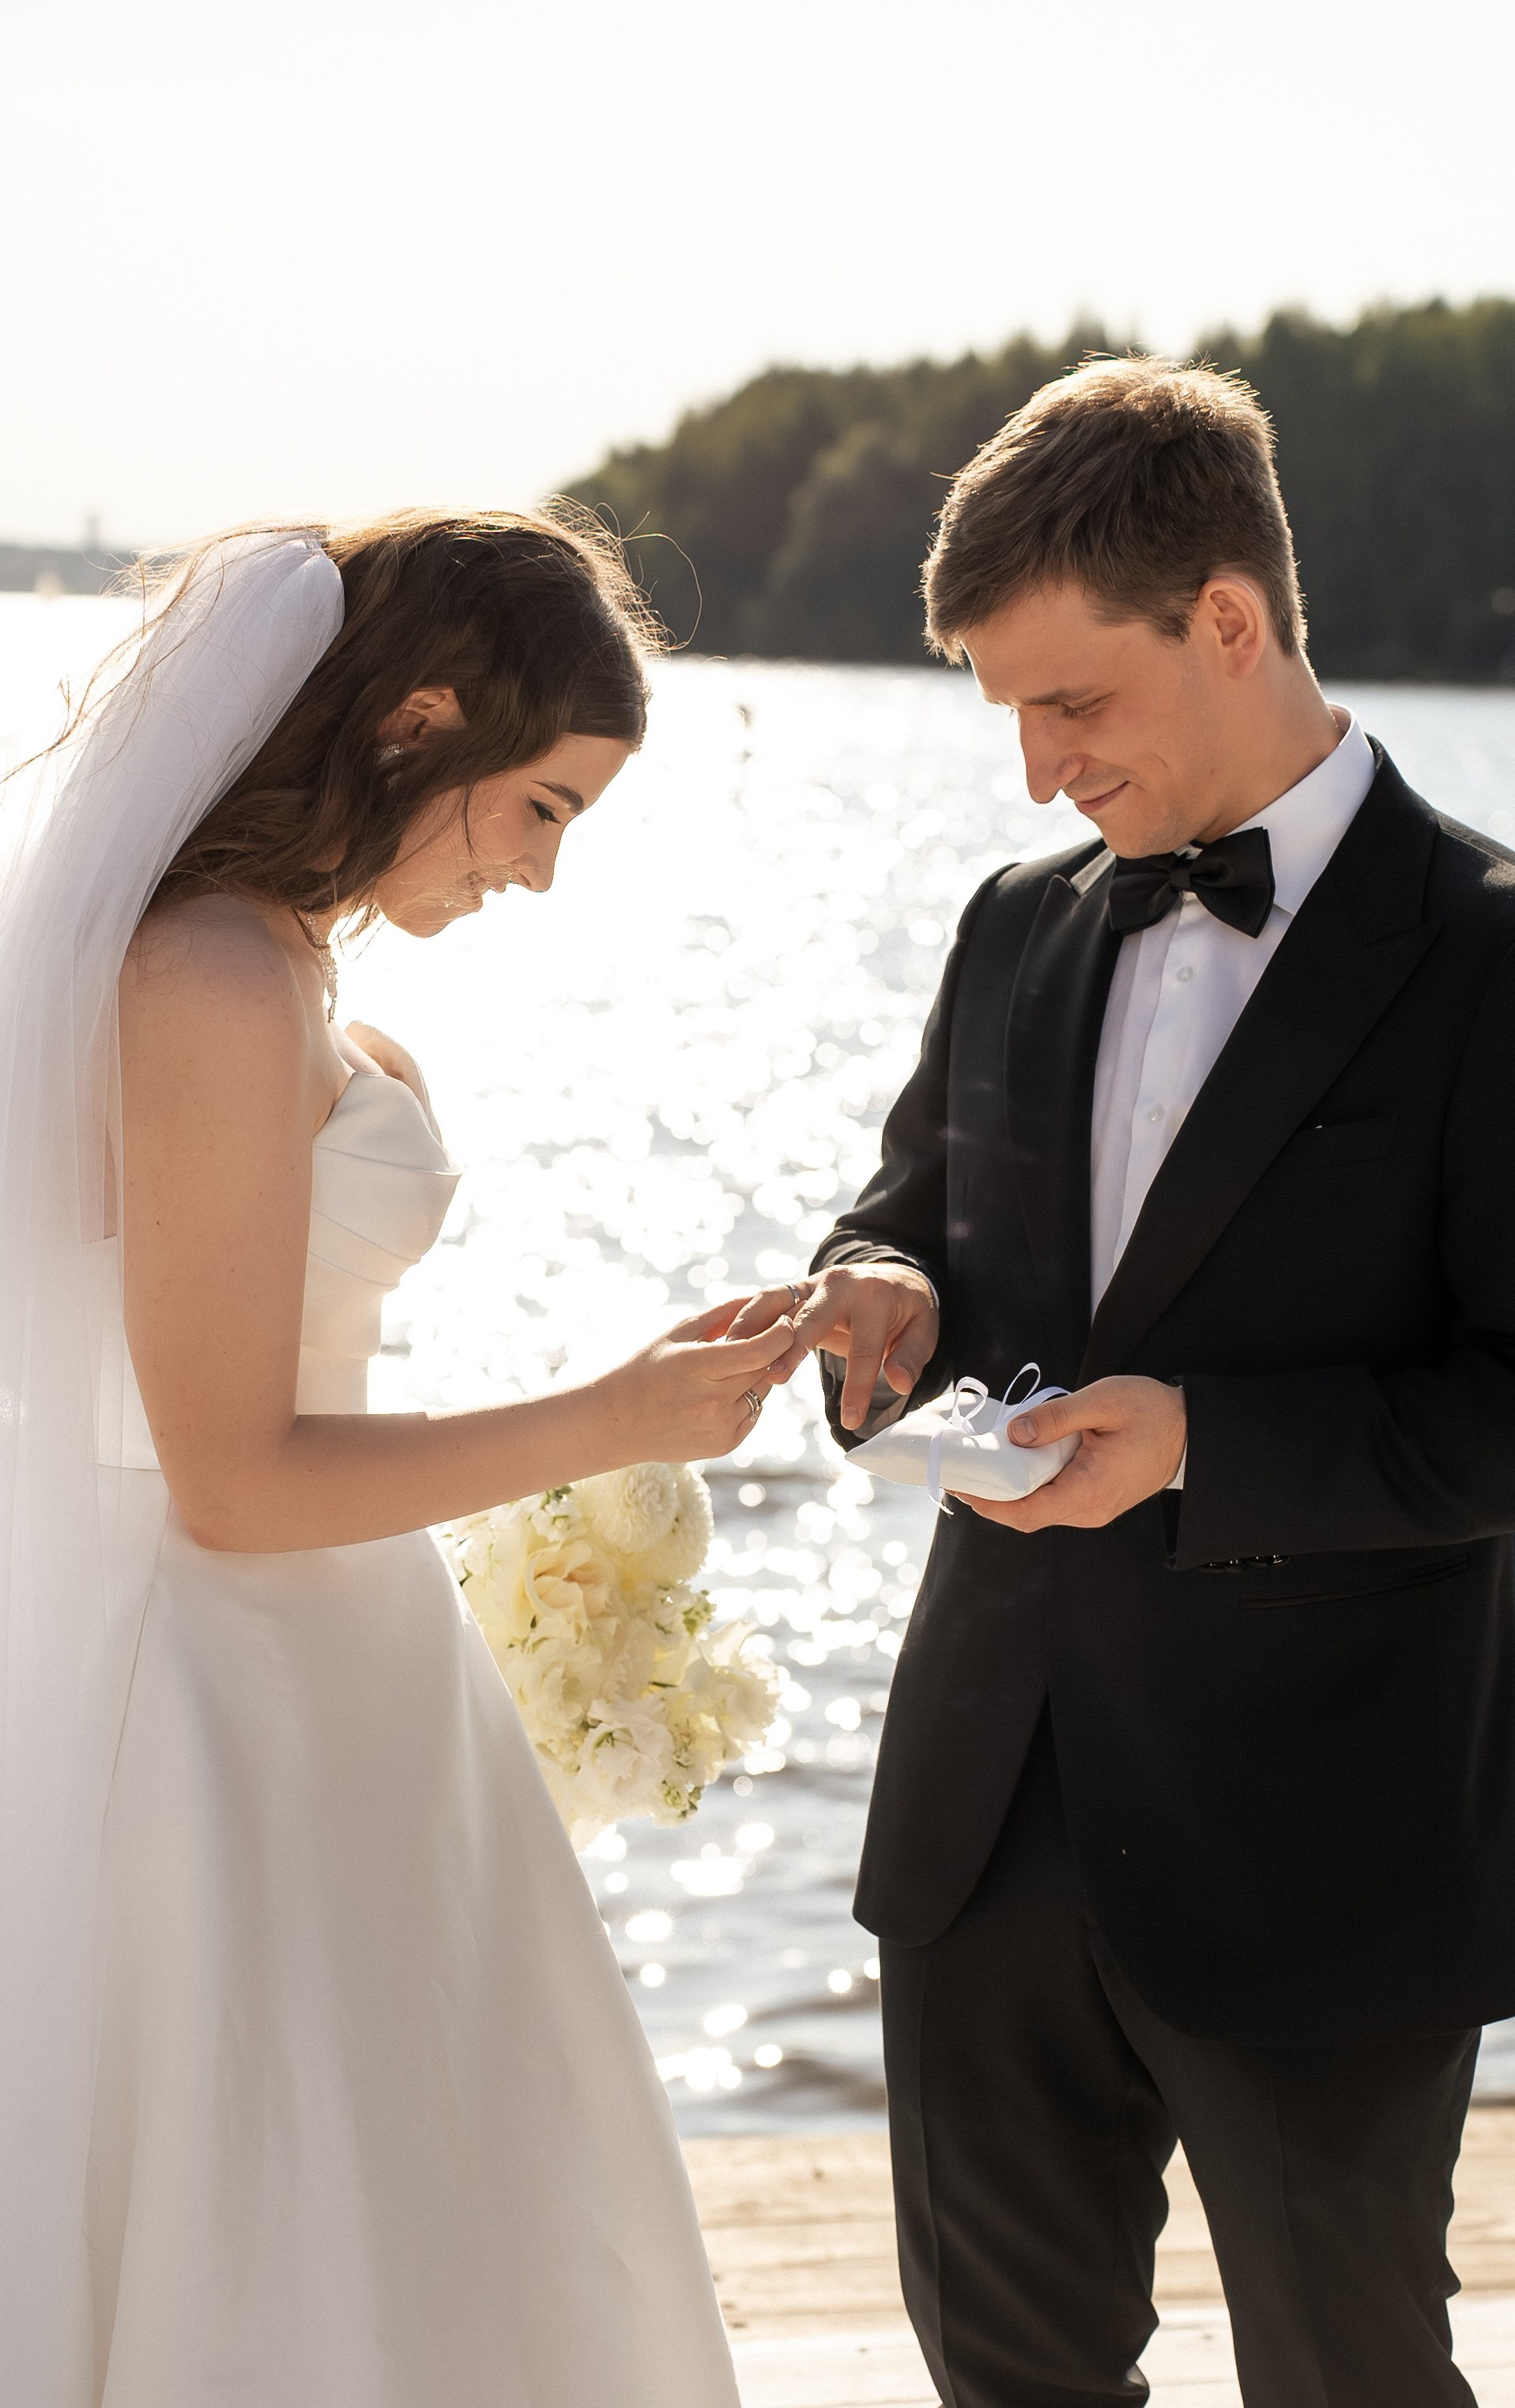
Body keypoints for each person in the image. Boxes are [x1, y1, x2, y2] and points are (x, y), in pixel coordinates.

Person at [752, 360, 1515, 2406]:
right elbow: (912, 1210)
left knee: (1347, 2376)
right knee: (1003, 2374)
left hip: (1322, 1838)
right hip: (983, 1809)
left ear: (1227, 620)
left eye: (1073, 703)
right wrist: (870, 1288)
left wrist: (1204, 1446)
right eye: (1010, 717)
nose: (1040, 766)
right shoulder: (1010, 924)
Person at [0, 514, 789, 2406]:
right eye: (540, 809)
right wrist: (605, 1419)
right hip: (211, 1683)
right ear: (420, 722)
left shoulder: (282, 964)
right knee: (269, 2205)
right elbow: (230, 1476)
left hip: (353, 1666)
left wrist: (613, 1421)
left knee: (429, 2195)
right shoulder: (199, 970)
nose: (540, 871)